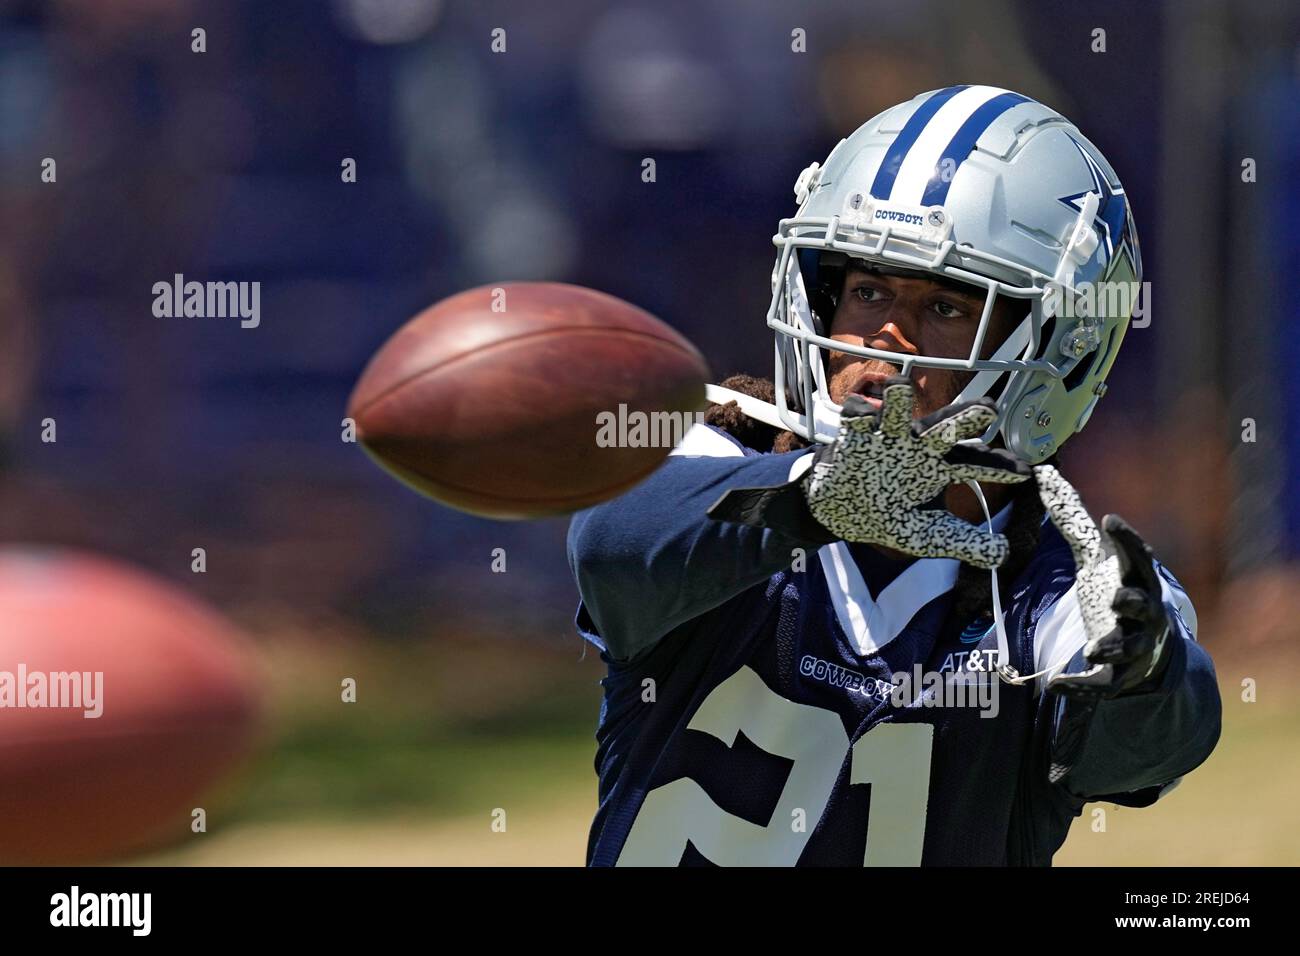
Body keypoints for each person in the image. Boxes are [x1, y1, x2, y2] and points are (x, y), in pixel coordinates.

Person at [566, 85, 1221, 866]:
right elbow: (610, 543)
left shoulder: (1055, 590)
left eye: (945, 306)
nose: (887, 335)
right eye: (868, 289)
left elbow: (1152, 753)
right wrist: (813, 500)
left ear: (1058, 344)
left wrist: (1140, 678)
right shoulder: (728, 462)